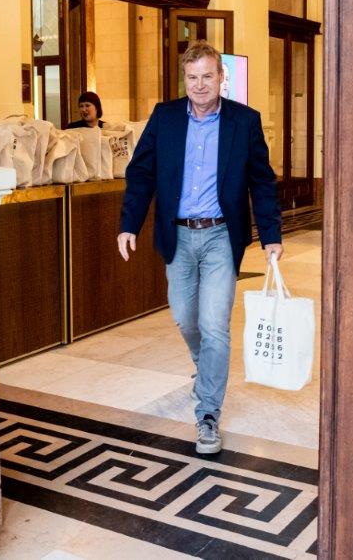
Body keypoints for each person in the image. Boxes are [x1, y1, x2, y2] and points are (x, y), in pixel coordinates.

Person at [117, 40, 283, 455]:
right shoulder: (165, 117)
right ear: (185, 79)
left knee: (214, 325)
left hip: (220, 236)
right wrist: (129, 224)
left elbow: (262, 182)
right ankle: (206, 366)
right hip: (178, 235)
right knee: (185, 317)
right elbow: (141, 173)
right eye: (192, 77)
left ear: (221, 78)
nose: (200, 84)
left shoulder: (244, 121)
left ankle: (208, 413)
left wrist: (272, 236)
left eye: (208, 76)